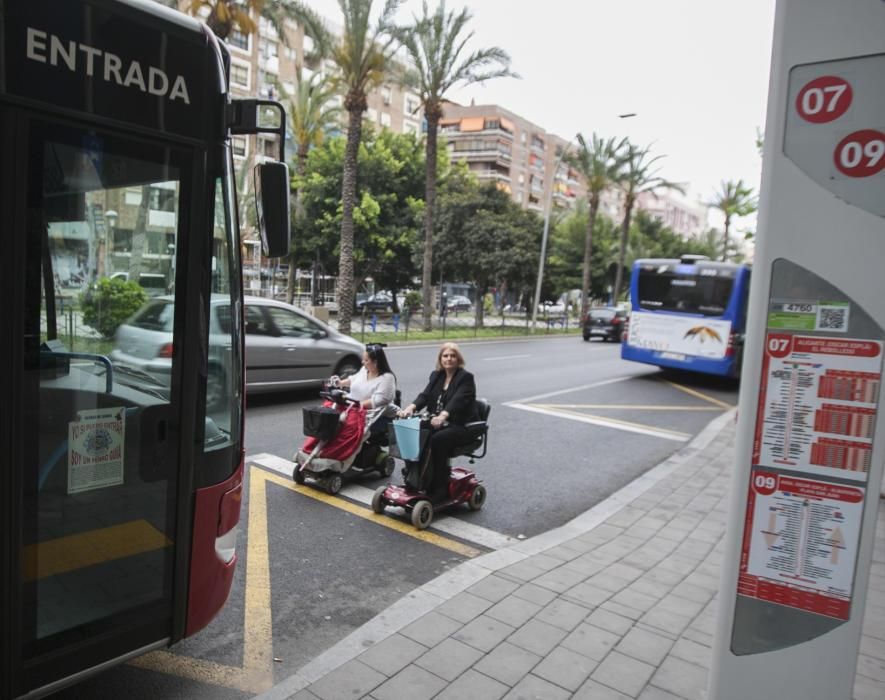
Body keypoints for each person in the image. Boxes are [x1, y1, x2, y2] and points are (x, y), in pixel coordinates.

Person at [398, 342, 477, 502]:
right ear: (440, 359)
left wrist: (443, 416)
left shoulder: (465, 378)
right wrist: (410, 408)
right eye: (445, 356)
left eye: (453, 356)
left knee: (437, 440)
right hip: (436, 421)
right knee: (410, 430)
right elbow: (425, 395)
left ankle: (440, 487)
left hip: (460, 425)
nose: (449, 359)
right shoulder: (436, 375)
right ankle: (414, 477)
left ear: (458, 358)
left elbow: (458, 400)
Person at [334, 344, 397, 442]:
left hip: (370, 415)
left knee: (344, 429)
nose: (363, 362)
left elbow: (378, 401)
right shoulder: (365, 370)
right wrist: (340, 383)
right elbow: (354, 379)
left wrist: (354, 405)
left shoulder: (387, 378)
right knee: (329, 415)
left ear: (375, 362)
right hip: (353, 408)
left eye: (366, 360)